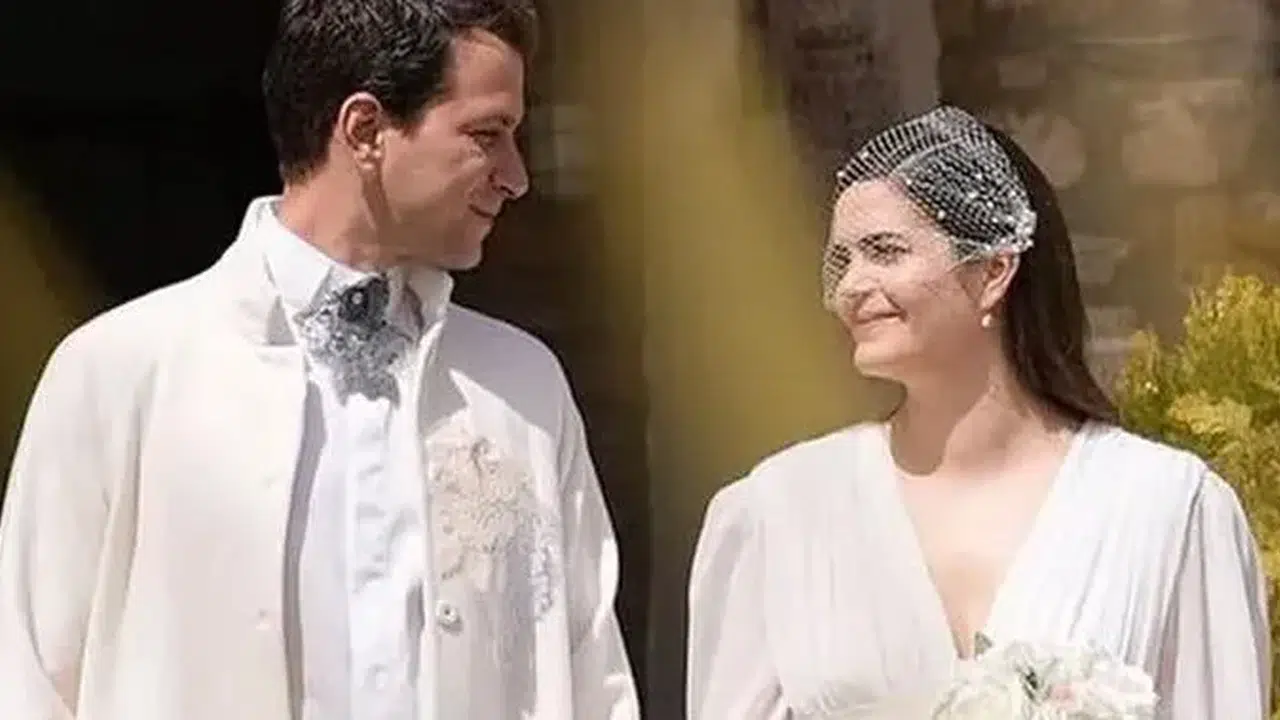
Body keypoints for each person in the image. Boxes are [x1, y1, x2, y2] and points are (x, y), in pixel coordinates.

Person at [0, 0, 640, 718]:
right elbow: (26, 679)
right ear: (364, 130)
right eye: (486, 135)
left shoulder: (522, 386)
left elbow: (594, 678)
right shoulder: (119, 372)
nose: (516, 176)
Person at [686, 105, 1269, 718]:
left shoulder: (1165, 508)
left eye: (884, 251)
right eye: (843, 259)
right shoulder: (778, 513)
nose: (850, 286)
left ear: (993, 270)